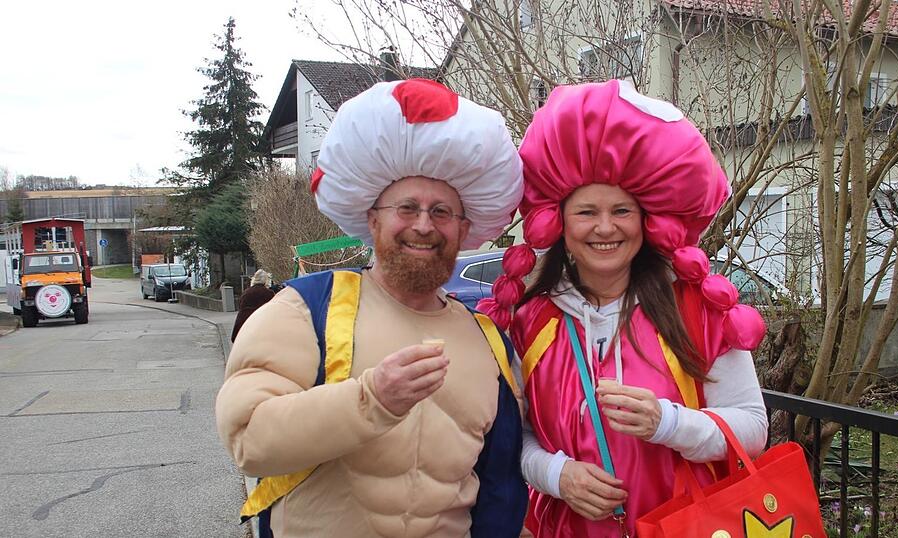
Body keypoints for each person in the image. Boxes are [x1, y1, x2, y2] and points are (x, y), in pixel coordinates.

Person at [215, 79, 528, 538]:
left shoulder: (489, 343)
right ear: (372, 217)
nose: (424, 225)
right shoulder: (307, 309)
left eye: (442, 212)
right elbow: (248, 439)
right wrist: (372, 400)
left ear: (464, 230)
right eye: (407, 207)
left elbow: (499, 484)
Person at [479, 80, 769, 537]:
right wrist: (557, 476)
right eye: (586, 212)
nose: (604, 228)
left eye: (621, 211)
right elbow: (513, 438)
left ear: (645, 220)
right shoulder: (529, 322)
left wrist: (667, 422)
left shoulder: (697, 310)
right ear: (560, 224)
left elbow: (753, 428)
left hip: (689, 526)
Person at [230, 269, 275, 342]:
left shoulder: (246, 292)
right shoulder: (269, 293)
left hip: (243, 324)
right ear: (266, 280)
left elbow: (240, 307)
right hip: (259, 325)